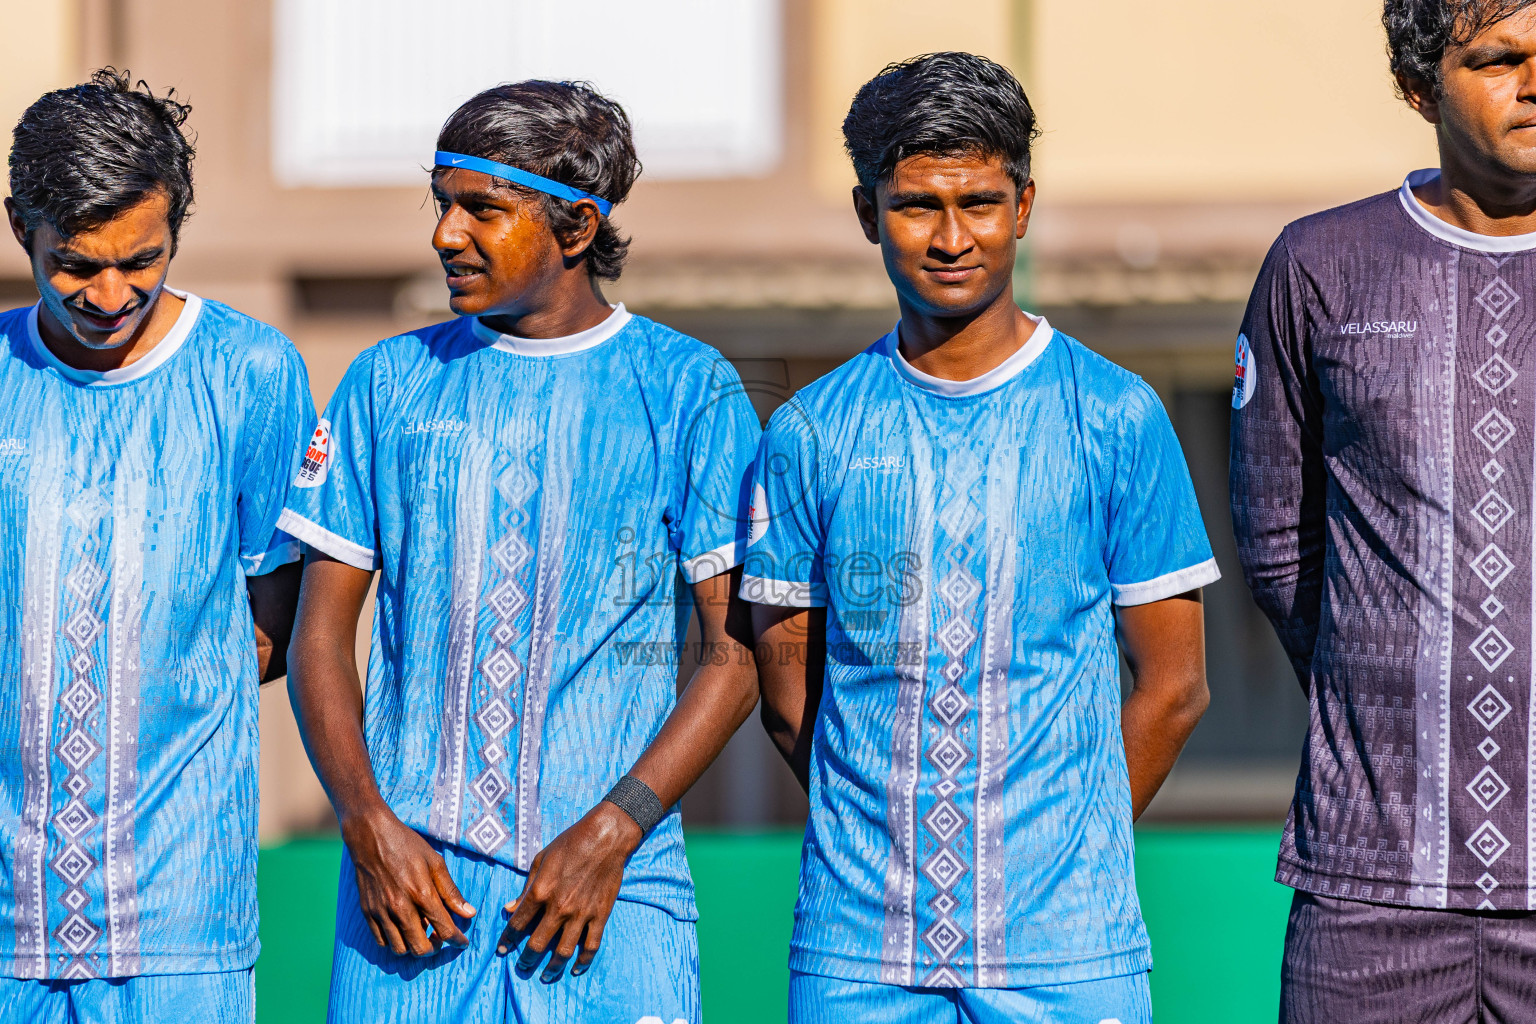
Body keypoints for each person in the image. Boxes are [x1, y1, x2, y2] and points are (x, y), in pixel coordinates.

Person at [744, 52, 1217, 1024]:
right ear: (867, 211)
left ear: (1025, 205)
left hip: (1071, 952)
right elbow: (790, 700)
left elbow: (1175, 688)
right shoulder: (809, 434)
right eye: (918, 204)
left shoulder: (1117, 414)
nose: (953, 236)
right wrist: (889, 834)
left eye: (981, 202)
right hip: (858, 950)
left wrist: (1065, 851)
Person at [280, 80, 760, 1023]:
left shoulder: (686, 387)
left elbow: (737, 652)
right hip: (407, 904)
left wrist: (613, 831)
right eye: (442, 202)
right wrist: (368, 825)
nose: (445, 233)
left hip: (612, 897)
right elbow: (319, 639)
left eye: (482, 209)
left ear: (576, 228)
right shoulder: (388, 381)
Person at [1231, 2, 1536, 1020]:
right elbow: (1278, 541)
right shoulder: (1319, 264)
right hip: (1370, 889)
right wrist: (1386, 680)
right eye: (1497, 60)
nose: (1533, 83)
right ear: (1419, 91)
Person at [0, 70, 313, 1022]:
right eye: (75, 264)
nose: (110, 292)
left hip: (186, 917)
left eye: (143, 260)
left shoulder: (254, 374)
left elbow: (274, 619)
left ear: (178, 222)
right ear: (21, 226)